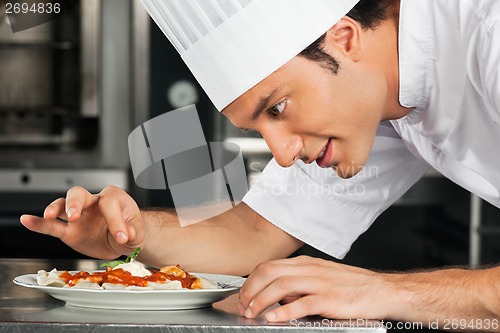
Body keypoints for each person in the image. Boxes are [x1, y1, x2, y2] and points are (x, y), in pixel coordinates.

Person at [20, 0, 500, 330]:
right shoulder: (370, 98)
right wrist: (133, 234)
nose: (284, 153)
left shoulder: (487, 30)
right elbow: (256, 233)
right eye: (259, 129)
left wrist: (385, 293)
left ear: (345, 38)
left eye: (277, 108)